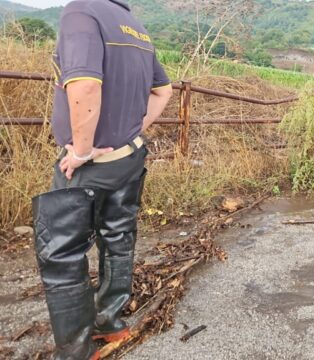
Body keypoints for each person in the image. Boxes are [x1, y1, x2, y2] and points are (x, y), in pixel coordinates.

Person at [32, 1, 172, 359]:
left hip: (90, 165)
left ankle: (76, 351)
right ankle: (110, 323)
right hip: (129, 157)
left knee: (62, 253)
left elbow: (86, 85)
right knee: (119, 235)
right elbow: (163, 91)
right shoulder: (132, 25)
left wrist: (80, 150)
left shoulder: (81, 13)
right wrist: (131, 131)